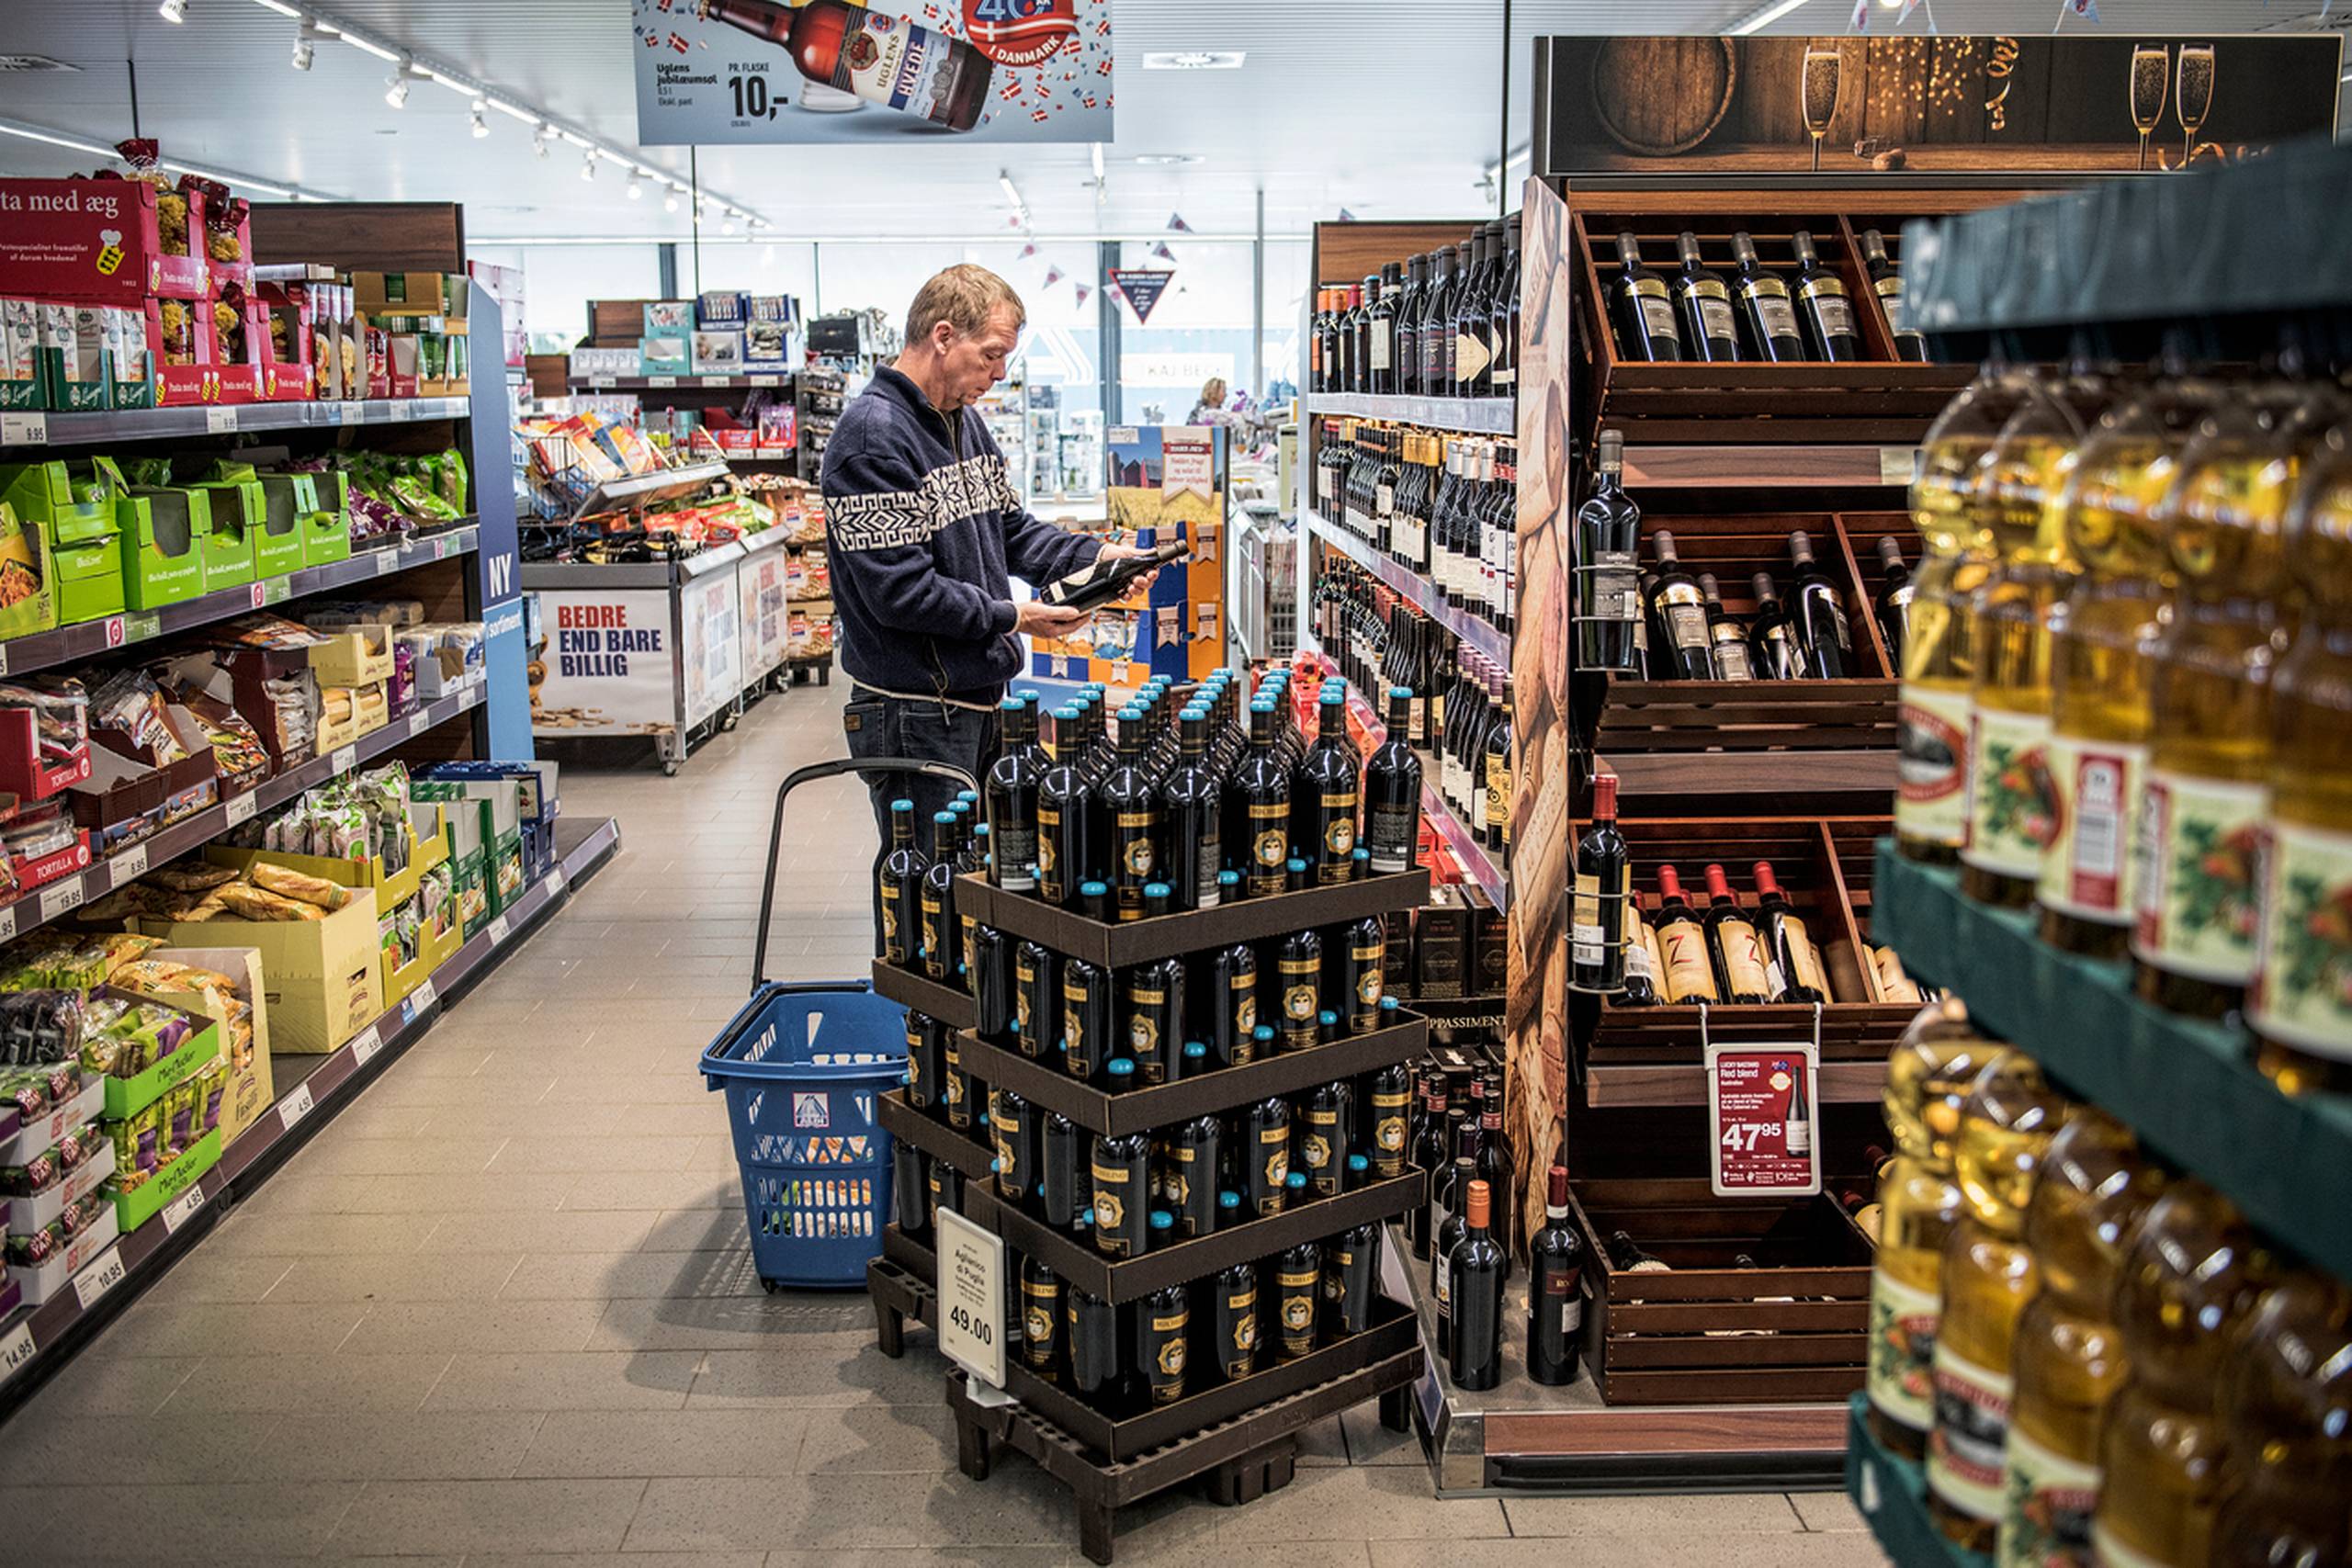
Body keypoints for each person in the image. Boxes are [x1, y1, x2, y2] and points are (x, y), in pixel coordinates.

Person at [825, 263, 1156, 949]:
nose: (1000, 374)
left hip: (972, 700)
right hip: (914, 710)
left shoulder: (962, 424)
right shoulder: (871, 438)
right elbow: (899, 593)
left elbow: (1011, 531)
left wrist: (1096, 561)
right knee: (928, 893)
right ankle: (917, 1012)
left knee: (972, 881)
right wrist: (1017, 616)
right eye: (992, 354)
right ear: (943, 336)